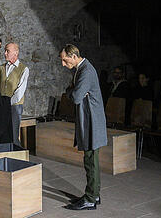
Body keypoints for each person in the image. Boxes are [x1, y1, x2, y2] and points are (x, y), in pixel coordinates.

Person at [60, 44, 107, 211]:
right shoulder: (81, 69)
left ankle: (91, 198)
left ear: (73, 56)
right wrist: (72, 90)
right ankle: (94, 194)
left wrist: (71, 91)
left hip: (92, 121)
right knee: (90, 160)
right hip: (88, 119)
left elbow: (76, 97)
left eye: (65, 61)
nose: (64, 64)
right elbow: (75, 92)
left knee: (91, 160)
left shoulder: (86, 71)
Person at [0, 42, 29, 146]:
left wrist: (8, 103)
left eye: (7, 51)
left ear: (16, 53)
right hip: (1, 105)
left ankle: (16, 156)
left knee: (13, 133)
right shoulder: (1, 68)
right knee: (1, 132)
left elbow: (20, 91)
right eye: (5, 50)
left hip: (14, 106)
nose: (4, 53)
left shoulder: (23, 69)